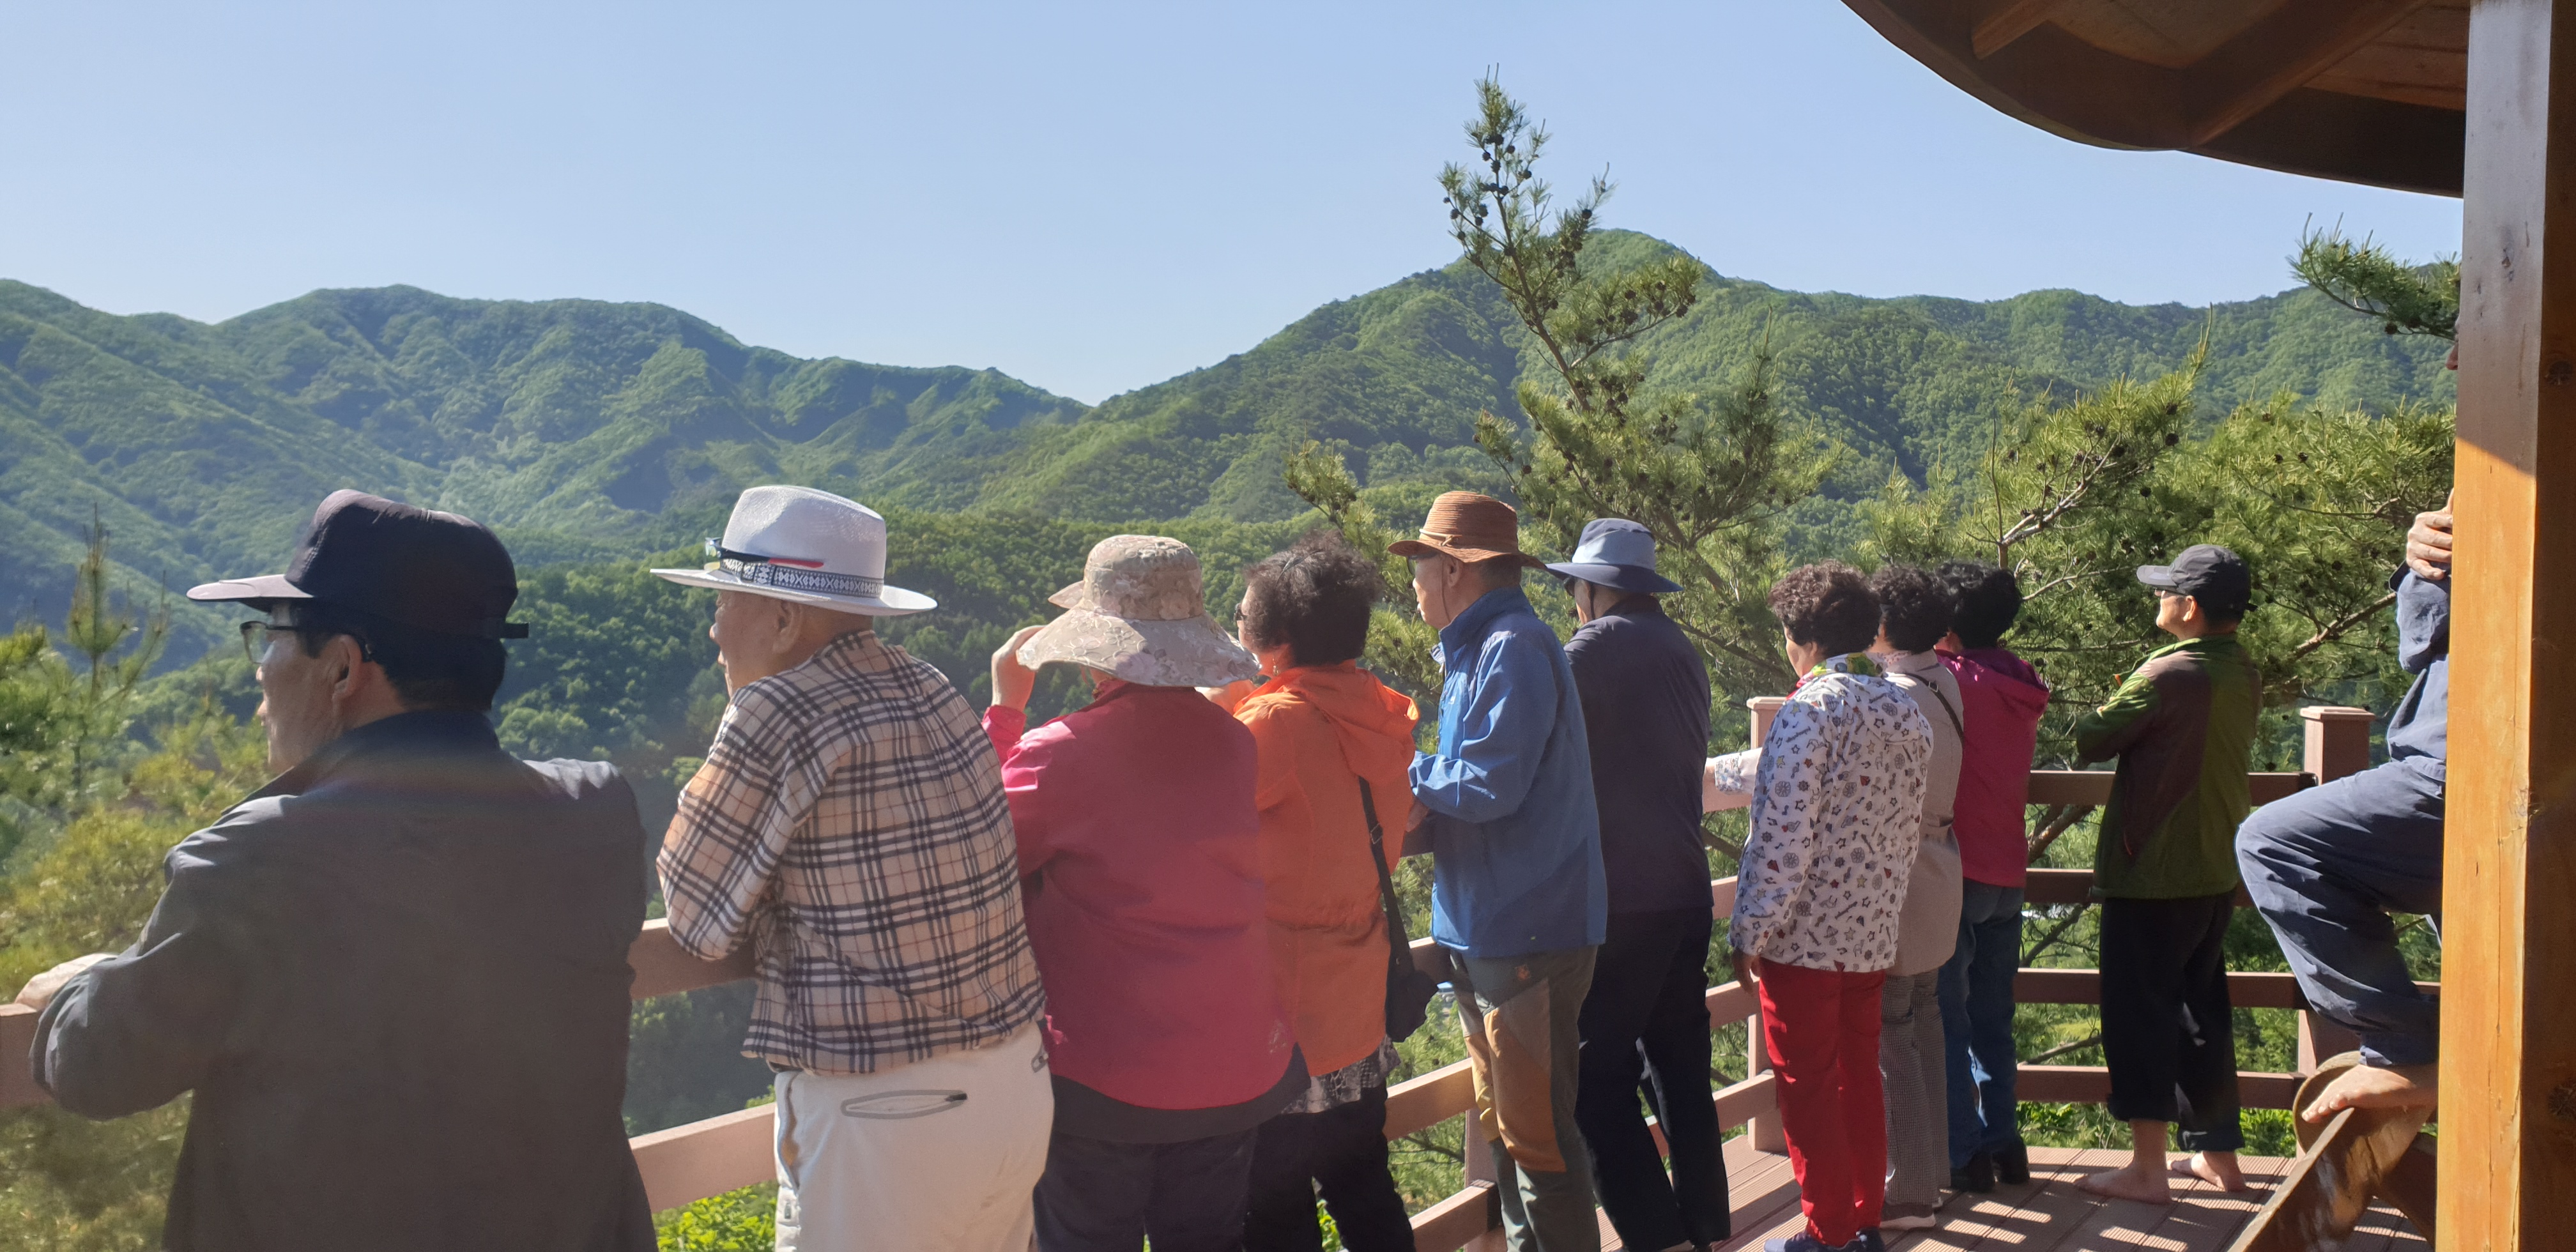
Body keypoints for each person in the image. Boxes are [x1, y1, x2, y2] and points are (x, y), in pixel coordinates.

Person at [15, 490, 652, 1252]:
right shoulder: (596, 812)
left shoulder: (258, 859)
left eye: (270, 637)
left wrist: (79, 990)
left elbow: (102, 1069)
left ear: (343, 667)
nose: (259, 674)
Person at [652, 485, 1050, 1251]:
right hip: (1016, 1087)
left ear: (782, 617)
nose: (712, 628)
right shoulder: (930, 686)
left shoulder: (779, 711)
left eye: (727, 600)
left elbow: (697, 920)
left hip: (890, 1120)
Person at [986, 533, 1305, 1252]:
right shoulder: (1233, 742)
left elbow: (980, 851)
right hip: (1235, 1061)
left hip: (1107, 1078)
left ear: (1094, 646)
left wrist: (1007, 711)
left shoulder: (1058, 753)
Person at [1393, 491, 1607, 1252]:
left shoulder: (1510, 645)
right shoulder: (1483, 646)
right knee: (1514, 1133)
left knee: (1538, 1142)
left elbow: (1487, 784)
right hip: (1502, 926)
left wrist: (1401, 769)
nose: (1413, 584)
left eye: (1420, 567)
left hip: (1524, 931)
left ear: (1454, 569)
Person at [1707, 561, 1930, 1252]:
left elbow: (1783, 837)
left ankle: (1825, 1232)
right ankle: (1863, 1218)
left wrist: (1749, 930)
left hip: (1804, 937)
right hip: (1872, 929)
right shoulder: (1904, 706)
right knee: (1860, 1074)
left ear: (1799, 638)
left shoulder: (1811, 709)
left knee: (1807, 1086)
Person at [1213, 532, 1421, 1252]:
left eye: (1242, 619)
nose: (1235, 626)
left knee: (1274, 1213)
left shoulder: (1271, 725)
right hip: (1357, 1012)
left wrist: (1225, 688)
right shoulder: (1381, 713)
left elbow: (1201, 794)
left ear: (1274, 641)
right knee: (1365, 1188)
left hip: (1286, 1022)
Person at [1547, 518, 1730, 1252]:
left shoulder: (1594, 647)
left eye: (1574, 587)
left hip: (1627, 897)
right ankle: (1710, 1228)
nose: (1571, 600)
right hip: (1686, 887)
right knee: (1681, 1071)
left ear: (1597, 588)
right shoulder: (1680, 648)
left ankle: (1659, 1238)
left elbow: (1534, 728)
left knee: (1595, 1083)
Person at [2237, 494, 2450, 1124]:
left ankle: (2405, 1051)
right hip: (2491, 776)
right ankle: (2456, 1051)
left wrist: (2423, 575)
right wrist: (2423, 557)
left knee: (2275, 843)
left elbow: (2421, 643)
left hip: (2458, 769)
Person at [2071, 544, 2259, 1204]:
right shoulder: (2240, 668)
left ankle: (2148, 1168)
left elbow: (2091, 737)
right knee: (2201, 1015)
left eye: (2166, 591)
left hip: (2151, 869)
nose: (2158, 600)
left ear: (2191, 606)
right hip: (2213, 866)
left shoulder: (2173, 673)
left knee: (2139, 1016)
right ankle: (2220, 1160)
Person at [1930, 561, 2046, 1193]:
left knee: (1950, 1020)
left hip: (1958, 871)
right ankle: (2007, 1144)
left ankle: (1964, 1153)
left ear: (1946, 622)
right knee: (1994, 1019)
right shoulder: (2022, 681)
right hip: (2009, 870)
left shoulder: (1951, 683)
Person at [1865, 565, 1964, 1233]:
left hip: (1901, 870)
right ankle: (1936, 1174)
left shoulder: (1894, 694)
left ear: (1881, 627)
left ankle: (1908, 1190)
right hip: (1941, 864)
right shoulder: (1944, 679)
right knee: (1923, 1019)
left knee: (1892, 1033)